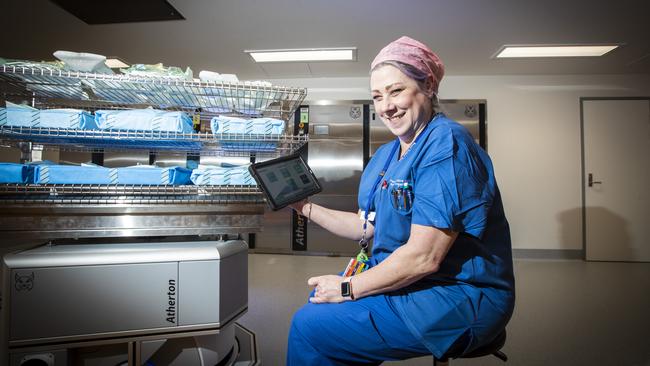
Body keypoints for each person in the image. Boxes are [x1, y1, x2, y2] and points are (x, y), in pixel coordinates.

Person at [286, 36, 515, 365]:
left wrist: (348, 288)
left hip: (455, 294)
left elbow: (424, 258)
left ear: (429, 85)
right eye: (377, 96)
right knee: (320, 303)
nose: (385, 107)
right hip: (414, 280)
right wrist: (303, 207)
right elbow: (369, 226)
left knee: (309, 327)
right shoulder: (388, 154)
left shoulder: (446, 145)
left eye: (396, 91)